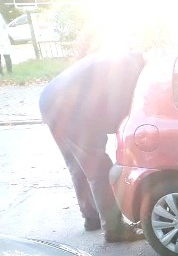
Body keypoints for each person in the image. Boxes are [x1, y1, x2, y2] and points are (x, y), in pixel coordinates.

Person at [39, 49, 147, 241]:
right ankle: (114, 230)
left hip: (49, 100)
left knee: (78, 166)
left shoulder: (116, 58)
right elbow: (117, 112)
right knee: (99, 169)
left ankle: (92, 217)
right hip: (72, 109)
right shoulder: (130, 68)